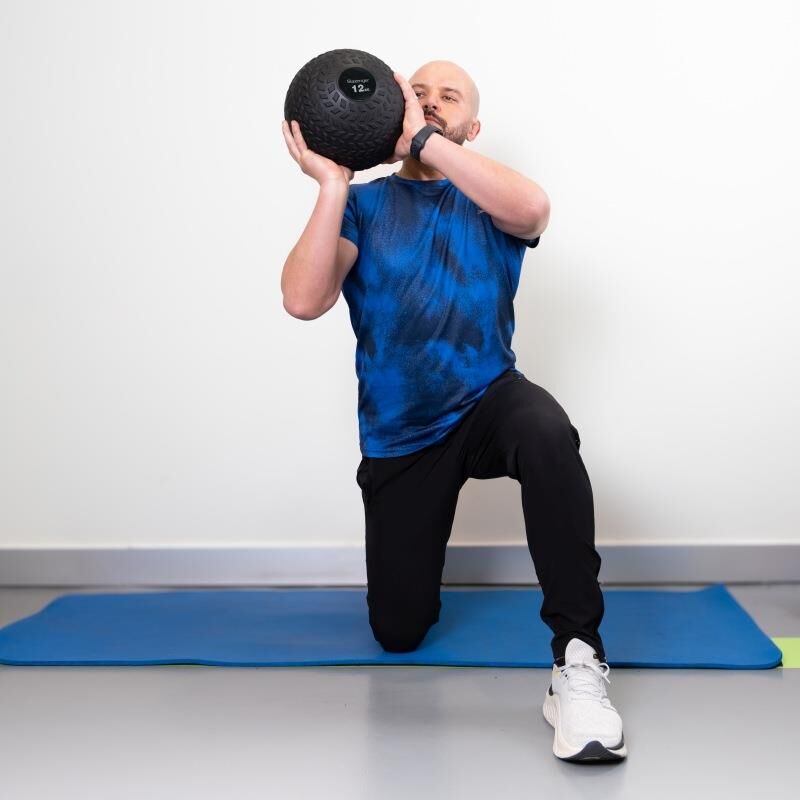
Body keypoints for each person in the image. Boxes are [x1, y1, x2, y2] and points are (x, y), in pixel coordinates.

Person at [280, 59, 626, 762]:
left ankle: (578, 657)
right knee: (398, 630)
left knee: (546, 431)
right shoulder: (364, 208)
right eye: (416, 93)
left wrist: (424, 140)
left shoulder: (487, 199)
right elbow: (303, 300)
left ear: (472, 127)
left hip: (490, 399)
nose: (430, 102)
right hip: (403, 431)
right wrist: (333, 184)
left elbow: (535, 210)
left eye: (448, 97)